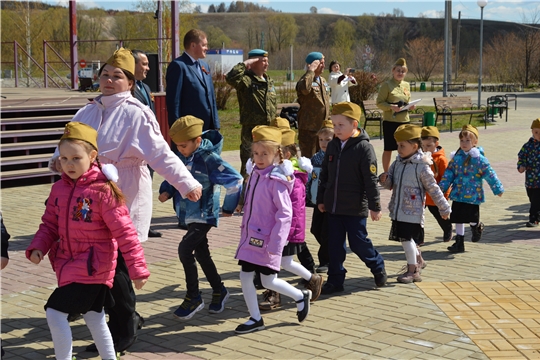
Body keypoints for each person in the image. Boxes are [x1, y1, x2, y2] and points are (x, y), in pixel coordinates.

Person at [48, 48, 202, 353]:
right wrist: (57, 164)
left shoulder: (137, 112)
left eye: (117, 76)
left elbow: (160, 154)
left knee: (116, 264)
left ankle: (125, 326)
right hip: (86, 200)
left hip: (124, 194)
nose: (108, 79)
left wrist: (186, 183)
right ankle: (109, 322)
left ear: (130, 82)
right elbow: (67, 145)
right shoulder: (88, 111)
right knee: (96, 263)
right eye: (105, 74)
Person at [27, 122, 150, 360]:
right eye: (63, 158)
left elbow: (126, 233)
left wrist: (138, 270)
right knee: (94, 316)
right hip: (67, 264)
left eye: (76, 158)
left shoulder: (103, 191)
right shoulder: (58, 189)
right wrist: (38, 247)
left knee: (54, 312)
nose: (69, 164)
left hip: (95, 267)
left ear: (93, 156)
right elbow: (49, 224)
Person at [158, 116, 243, 319]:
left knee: (185, 249)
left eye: (184, 145)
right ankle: (219, 290)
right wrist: (166, 190)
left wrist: (229, 207)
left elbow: (235, 180)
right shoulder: (183, 156)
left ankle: (193, 296)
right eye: (177, 146)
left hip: (204, 214)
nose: (180, 149)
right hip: (188, 214)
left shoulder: (208, 158)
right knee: (201, 253)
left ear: (197, 140)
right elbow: (174, 174)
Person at [234, 125, 311, 334]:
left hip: (267, 241)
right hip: (251, 237)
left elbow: (285, 215)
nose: (259, 158)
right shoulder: (255, 175)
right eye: (256, 153)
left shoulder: (276, 180)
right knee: (245, 276)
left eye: (265, 154)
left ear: (277, 154)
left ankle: (299, 295)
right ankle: (255, 318)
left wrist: (276, 243)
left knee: (268, 280)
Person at [317, 102, 387, 294]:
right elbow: (325, 174)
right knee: (335, 246)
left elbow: (370, 180)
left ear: (354, 125)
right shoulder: (332, 145)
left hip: (355, 208)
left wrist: (375, 206)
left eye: (341, 125)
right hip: (333, 206)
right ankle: (335, 280)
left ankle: (377, 266)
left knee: (358, 243)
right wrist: (321, 199)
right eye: (334, 125)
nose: (336, 129)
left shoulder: (364, 148)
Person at [258, 128, 323, 311]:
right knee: (284, 262)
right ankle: (312, 279)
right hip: (280, 229)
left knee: (274, 261)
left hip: (285, 230)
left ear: (285, 154)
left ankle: (274, 294)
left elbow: (290, 210)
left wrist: (283, 232)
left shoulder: (290, 177)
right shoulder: (280, 172)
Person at [379, 124, 451, 283]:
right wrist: (384, 179)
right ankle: (419, 260)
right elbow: (390, 183)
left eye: (402, 145)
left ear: (414, 146)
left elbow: (433, 188)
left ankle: (413, 271)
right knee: (408, 239)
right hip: (398, 210)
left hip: (413, 212)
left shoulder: (422, 166)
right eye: (397, 145)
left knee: (406, 240)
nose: (398, 149)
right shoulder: (397, 162)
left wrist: (444, 207)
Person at [439, 125, 504, 253]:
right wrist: (441, 188)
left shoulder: (479, 159)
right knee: (457, 218)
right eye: (462, 140)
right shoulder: (456, 158)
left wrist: (498, 188)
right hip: (458, 193)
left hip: (473, 195)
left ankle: (476, 228)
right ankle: (459, 242)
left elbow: (489, 174)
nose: (464, 143)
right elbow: (449, 174)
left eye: (467, 140)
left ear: (475, 142)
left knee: (472, 218)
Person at [226, 48, 277, 178]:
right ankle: (246, 196)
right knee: (249, 169)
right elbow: (230, 77)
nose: (267, 64)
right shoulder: (246, 80)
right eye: (263, 61)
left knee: (268, 166)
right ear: (254, 62)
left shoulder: (268, 80)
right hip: (251, 132)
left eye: (267, 61)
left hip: (268, 131)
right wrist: (246, 63)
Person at [132, 49, 162, 238]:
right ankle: (133, 224)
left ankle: (145, 223)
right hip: (136, 147)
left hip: (148, 145)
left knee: (147, 185)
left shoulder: (145, 87)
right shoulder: (128, 89)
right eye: (143, 64)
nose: (148, 68)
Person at [166, 29, 220, 131]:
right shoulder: (178, 66)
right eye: (204, 45)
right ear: (193, 45)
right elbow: (174, 102)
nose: (206, 48)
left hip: (208, 128)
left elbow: (211, 97)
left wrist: (215, 124)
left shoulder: (205, 66)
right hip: (189, 129)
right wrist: (177, 129)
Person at [376, 58, 416, 173]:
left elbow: (407, 100)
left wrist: (410, 106)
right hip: (390, 121)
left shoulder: (406, 85)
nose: (400, 73)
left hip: (404, 121)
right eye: (398, 70)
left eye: (403, 71)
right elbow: (379, 103)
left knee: (406, 147)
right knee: (389, 148)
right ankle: (387, 173)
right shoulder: (387, 85)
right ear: (393, 71)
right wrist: (391, 107)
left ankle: (404, 170)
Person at [306, 119, 334, 273]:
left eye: (328, 140)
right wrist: (306, 195)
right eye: (321, 140)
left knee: (326, 231)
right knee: (315, 229)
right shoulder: (315, 157)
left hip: (330, 201)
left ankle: (326, 260)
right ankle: (331, 252)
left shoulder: (337, 157)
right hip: (317, 200)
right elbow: (310, 178)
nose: (323, 143)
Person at [421, 126, 453, 242]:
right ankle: (419, 238)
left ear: (436, 143)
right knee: (418, 216)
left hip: (435, 195)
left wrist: (445, 194)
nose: (425, 149)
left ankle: (447, 227)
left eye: (429, 146)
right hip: (422, 194)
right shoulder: (420, 157)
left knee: (439, 215)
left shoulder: (441, 160)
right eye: (423, 146)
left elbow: (447, 178)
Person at [296, 52, 330, 158]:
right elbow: (305, 89)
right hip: (309, 129)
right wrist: (311, 71)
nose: (324, 66)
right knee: (309, 159)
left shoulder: (323, 80)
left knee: (322, 159)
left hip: (323, 128)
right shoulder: (304, 80)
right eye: (321, 63)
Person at [517, 118, 540, 227]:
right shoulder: (528, 146)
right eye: (536, 132)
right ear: (532, 132)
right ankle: (537, 214)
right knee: (532, 198)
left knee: (536, 201)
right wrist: (521, 166)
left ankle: (534, 219)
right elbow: (521, 157)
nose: (538, 135)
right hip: (531, 180)